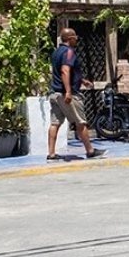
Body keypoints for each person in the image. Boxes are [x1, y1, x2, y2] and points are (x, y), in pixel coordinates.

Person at [46, 28, 105, 161]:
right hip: (65, 94)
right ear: (70, 38)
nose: (77, 39)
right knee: (81, 122)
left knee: (55, 123)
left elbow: (65, 71)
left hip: (54, 93)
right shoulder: (69, 52)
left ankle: (51, 154)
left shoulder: (56, 52)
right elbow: (65, 71)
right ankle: (90, 151)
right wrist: (68, 91)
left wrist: (81, 80)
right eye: (75, 37)